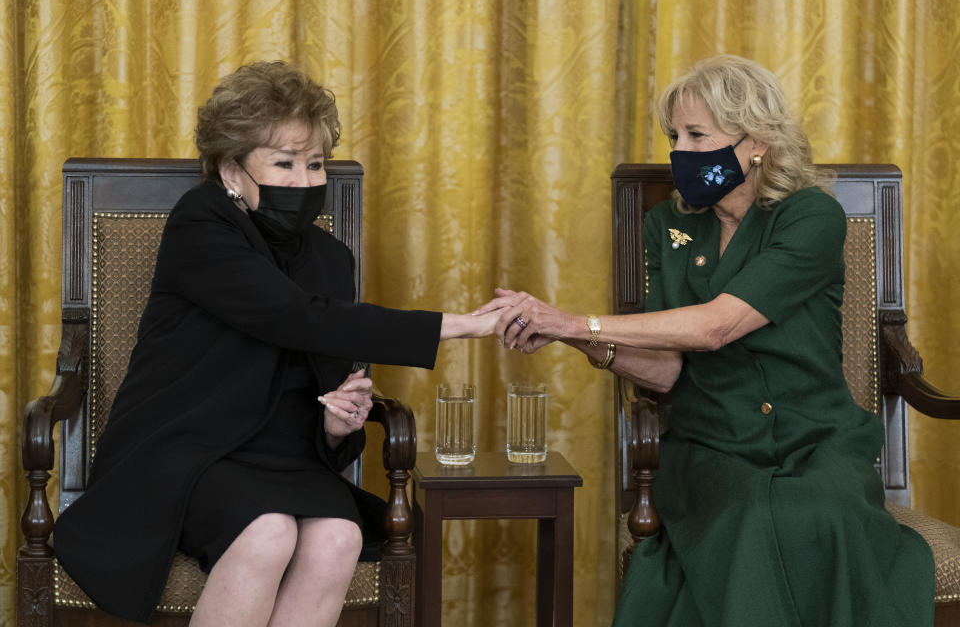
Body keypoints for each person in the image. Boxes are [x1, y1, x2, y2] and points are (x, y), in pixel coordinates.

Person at [480, 55, 935, 626]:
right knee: (747, 516)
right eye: (675, 135)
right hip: (711, 444)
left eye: (698, 134)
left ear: (758, 142)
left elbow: (716, 327)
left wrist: (574, 322)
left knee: (819, 516)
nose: (681, 152)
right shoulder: (668, 229)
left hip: (815, 437)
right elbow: (668, 370)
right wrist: (569, 338)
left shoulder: (810, 217)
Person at [54, 61, 503, 627]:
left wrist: (338, 426)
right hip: (188, 451)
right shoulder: (201, 223)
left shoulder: (330, 258)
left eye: (315, 164)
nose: (305, 181)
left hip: (285, 461)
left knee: (338, 538)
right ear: (230, 170)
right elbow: (297, 318)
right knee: (268, 532)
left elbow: (328, 384)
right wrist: (459, 324)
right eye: (284, 163)